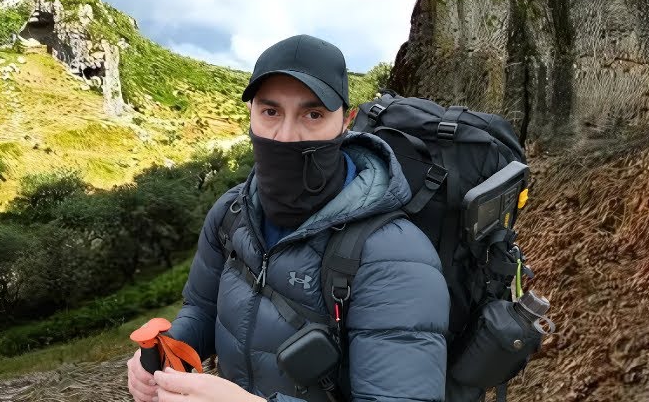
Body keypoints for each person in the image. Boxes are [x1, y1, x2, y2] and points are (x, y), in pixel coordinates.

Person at [126, 34, 447, 402]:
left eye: (313, 115)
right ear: (250, 113)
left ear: (347, 121)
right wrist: (168, 352)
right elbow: (202, 308)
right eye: (270, 112)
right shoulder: (231, 213)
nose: (286, 136)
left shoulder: (395, 256)